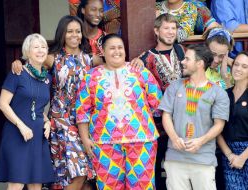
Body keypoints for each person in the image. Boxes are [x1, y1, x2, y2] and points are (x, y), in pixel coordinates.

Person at [12, 15, 96, 190]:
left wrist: (137, 62)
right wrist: (18, 62)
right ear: (62, 34)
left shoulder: (90, 59)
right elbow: (32, 64)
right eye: (70, 31)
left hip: (86, 122)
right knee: (78, 171)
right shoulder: (53, 58)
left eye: (78, 31)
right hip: (61, 121)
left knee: (81, 176)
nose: (75, 35)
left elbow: (115, 61)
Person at [76, 33, 162, 190]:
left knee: (142, 186)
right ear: (102, 51)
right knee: (109, 186)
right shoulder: (90, 76)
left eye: (120, 48)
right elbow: (82, 110)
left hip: (142, 140)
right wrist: (85, 139)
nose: (117, 51)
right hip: (104, 142)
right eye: (112, 48)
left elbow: (158, 104)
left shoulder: (140, 72)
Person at [159, 44, 230, 190]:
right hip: (175, 158)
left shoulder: (218, 93)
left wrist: (200, 141)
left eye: (187, 59)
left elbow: (219, 125)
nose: (182, 62)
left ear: (199, 64)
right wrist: (174, 138)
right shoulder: (174, 86)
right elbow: (166, 115)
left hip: (203, 159)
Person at [0, 33, 54, 190]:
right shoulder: (17, 73)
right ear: (27, 52)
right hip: (17, 134)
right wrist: (21, 125)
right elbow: (3, 104)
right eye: (36, 47)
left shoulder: (47, 78)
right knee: (17, 184)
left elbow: (37, 107)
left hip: (37, 136)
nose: (40, 50)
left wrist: (47, 122)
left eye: (43, 47)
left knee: (36, 184)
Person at [139, 13, 184, 190]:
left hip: (181, 118)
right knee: (156, 164)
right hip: (157, 122)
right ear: (156, 31)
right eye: (166, 28)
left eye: (173, 28)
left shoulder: (181, 51)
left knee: (178, 165)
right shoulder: (145, 58)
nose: (171, 32)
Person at [217, 51, 248, 190]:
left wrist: (242, 157)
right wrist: (229, 155)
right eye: (236, 64)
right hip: (229, 154)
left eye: (244, 66)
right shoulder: (225, 95)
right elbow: (217, 129)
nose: (238, 69)